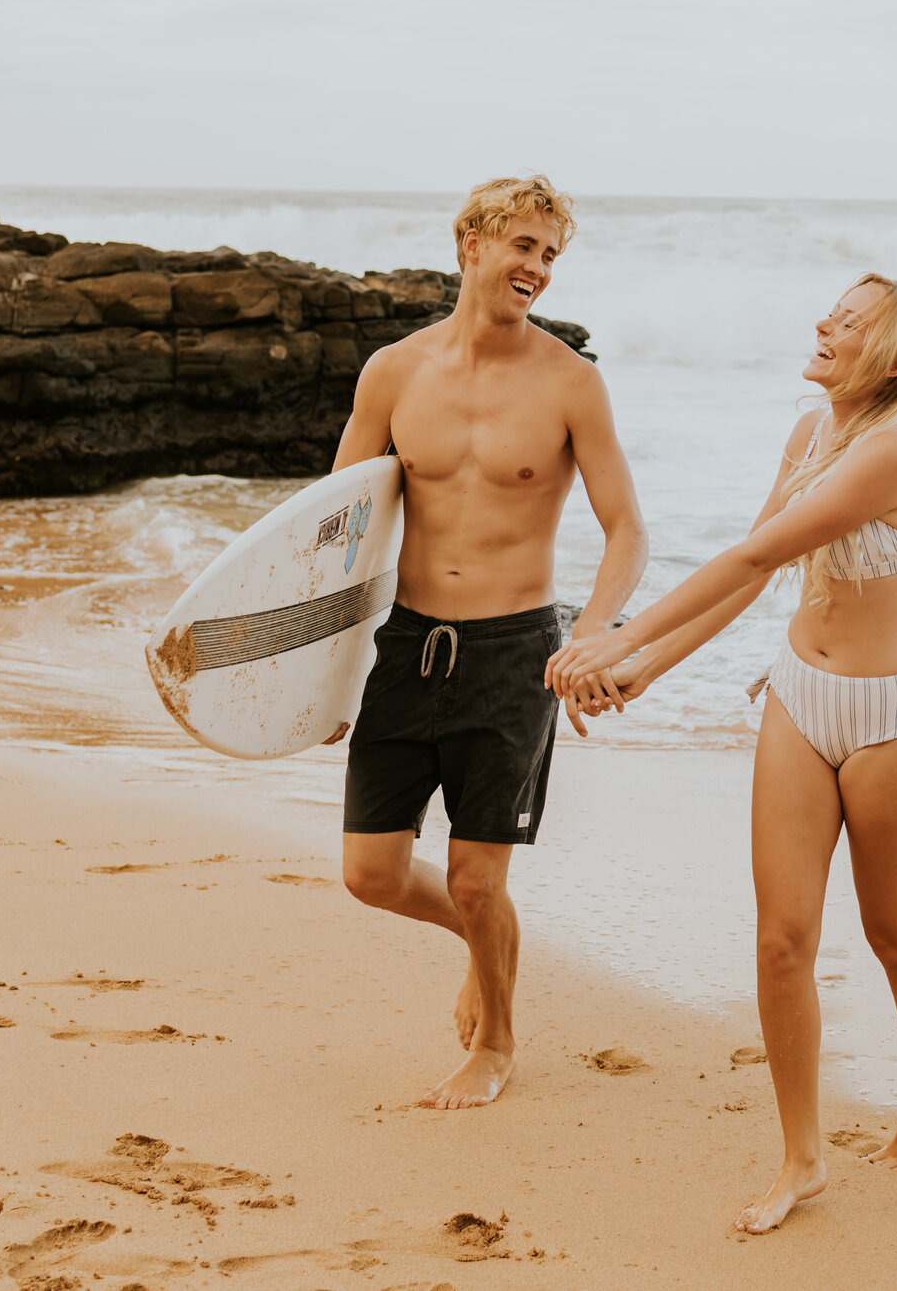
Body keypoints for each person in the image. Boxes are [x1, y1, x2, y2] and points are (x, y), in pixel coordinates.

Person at [545, 273, 897, 1233]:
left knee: (895, 933)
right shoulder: (811, 434)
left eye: (850, 323)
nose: (825, 324)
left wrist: (612, 637)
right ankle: (802, 1157)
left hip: (895, 719)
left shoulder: (894, 454)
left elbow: (746, 561)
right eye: (831, 310)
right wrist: (648, 665)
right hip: (800, 698)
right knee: (782, 938)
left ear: (895, 361)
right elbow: (757, 564)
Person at [329, 175, 646, 1110]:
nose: (538, 268)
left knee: (476, 875)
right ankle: (484, 937)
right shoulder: (392, 371)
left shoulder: (571, 383)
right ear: (472, 242)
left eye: (551, 254)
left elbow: (626, 527)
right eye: (525, 247)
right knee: (371, 874)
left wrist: (592, 635)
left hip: (513, 654)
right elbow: (335, 536)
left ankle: (497, 1041)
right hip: (407, 644)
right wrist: (319, 672)